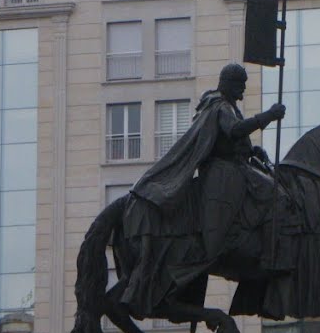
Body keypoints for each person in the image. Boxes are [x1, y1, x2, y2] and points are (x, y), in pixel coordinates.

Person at [120, 64, 284, 317]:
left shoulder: (225, 105)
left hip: (237, 168)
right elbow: (233, 131)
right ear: (229, 83)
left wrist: (253, 151)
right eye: (240, 86)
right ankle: (261, 257)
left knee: (275, 192)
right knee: (275, 196)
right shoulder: (220, 106)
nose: (242, 91)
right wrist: (268, 116)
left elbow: (234, 140)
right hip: (224, 173)